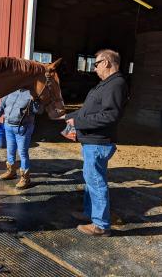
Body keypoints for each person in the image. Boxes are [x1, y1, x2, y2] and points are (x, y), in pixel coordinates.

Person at [63, 49, 128, 237]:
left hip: (98, 141)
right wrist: (67, 116)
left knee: (97, 182)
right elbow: (89, 111)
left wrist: (78, 122)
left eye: (96, 63)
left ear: (107, 62)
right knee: (91, 180)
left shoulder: (116, 84)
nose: (94, 68)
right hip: (92, 140)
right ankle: (91, 214)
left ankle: (101, 225)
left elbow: (111, 115)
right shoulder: (105, 84)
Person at [0, 89, 41, 189]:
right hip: (8, 126)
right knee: (10, 150)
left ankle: (25, 178)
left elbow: (39, 111)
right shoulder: (10, 90)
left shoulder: (32, 93)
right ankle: (11, 171)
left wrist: (35, 101)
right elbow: (1, 106)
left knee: (22, 153)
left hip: (23, 129)